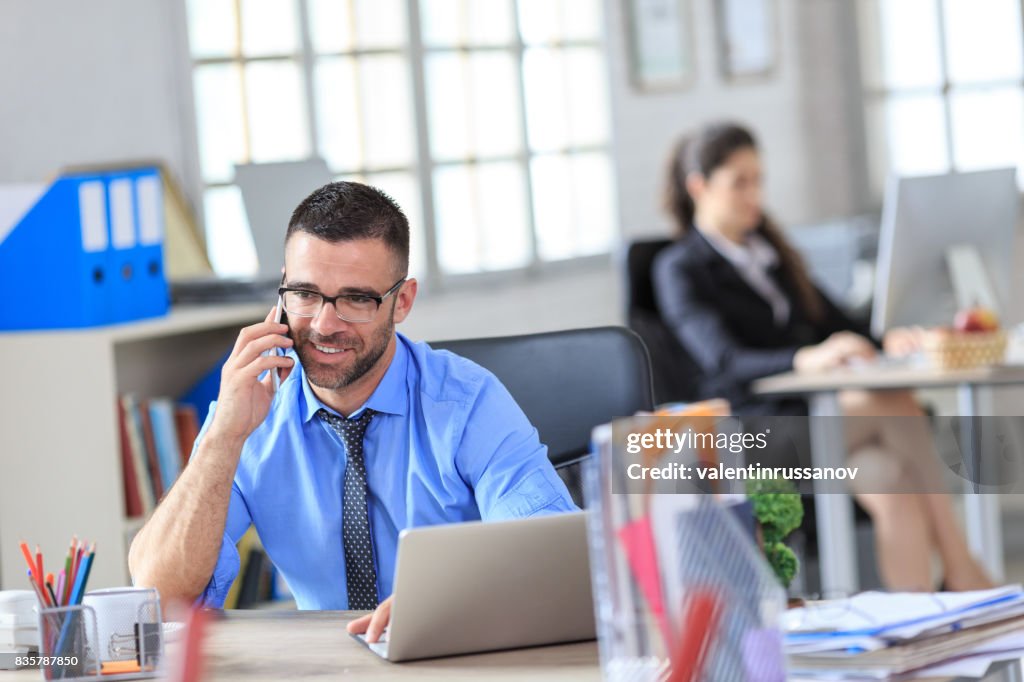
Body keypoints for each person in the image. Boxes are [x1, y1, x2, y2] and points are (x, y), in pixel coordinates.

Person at [129, 181, 576, 642]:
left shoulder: (468, 404)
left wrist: (443, 607)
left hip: (454, 658)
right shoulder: (250, 413)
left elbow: (552, 560)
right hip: (322, 667)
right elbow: (159, 597)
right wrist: (223, 437)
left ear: (401, 301)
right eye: (304, 294)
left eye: (356, 299)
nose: (324, 324)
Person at [653, 121, 992, 592]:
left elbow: (840, 324)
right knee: (890, 402)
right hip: (750, 432)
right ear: (699, 187)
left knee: (890, 480)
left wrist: (886, 340)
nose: (755, 195)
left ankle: (918, 645)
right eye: (740, 183)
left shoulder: (769, 253)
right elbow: (723, 361)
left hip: (813, 420)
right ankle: (961, 565)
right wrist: (804, 359)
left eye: (759, 180)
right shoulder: (679, 268)